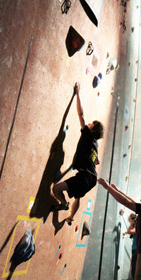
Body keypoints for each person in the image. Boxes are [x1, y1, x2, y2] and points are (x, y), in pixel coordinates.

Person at [51, 82, 104, 224]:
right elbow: (96, 161)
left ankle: (63, 205)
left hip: (85, 177)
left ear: (93, 130)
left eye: (92, 124)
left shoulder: (88, 135)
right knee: (78, 196)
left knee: (56, 189)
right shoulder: (94, 144)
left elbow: (81, 114)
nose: (89, 124)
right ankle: (71, 217)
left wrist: (78, 94)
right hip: (90, 179)